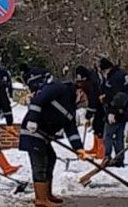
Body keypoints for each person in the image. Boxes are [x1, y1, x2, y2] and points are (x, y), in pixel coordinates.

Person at [20, 73, 89, 207]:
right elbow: (38, 100)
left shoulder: (70, 107)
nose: (84, 101)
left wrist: (79, 149)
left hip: (45, 135)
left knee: (51, 158)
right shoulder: (60, 88)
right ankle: (41, 199)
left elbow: (71, 129)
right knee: (40, 163)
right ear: (80, 91)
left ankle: (47, 194)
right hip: (33, 130)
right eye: (85, 97)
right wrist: (33, 119)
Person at [99, 58, 128, 167]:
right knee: (120, 135)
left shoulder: (113, 79)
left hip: (114, 110)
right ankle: (119, 158)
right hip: (125, 110)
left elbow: (115, 96)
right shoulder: (122, 75)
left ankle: (107, 157)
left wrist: (111, 111)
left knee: (108, 135)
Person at [75, 66, 105, 160]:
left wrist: (89, 112)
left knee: (99, 126)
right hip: (97, 106)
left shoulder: (92, 83)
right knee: (96, 125)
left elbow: (93, 99)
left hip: (101, 107)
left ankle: (101, 150)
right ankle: (95, 147)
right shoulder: (89, 80)